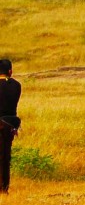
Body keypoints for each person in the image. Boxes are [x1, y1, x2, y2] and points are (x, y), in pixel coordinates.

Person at [0, 59, 22, 195]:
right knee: (5, 157)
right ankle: (3, 188)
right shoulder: (16, 85)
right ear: (10, 71)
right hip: (9, 126)